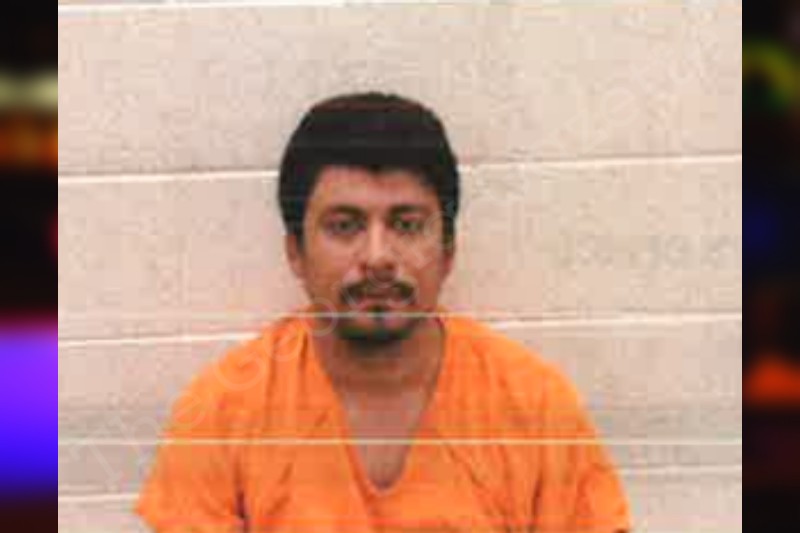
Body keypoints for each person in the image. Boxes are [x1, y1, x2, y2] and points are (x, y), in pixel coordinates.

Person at [136, 92, 631, 532]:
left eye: (406, 225)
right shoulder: (222, 413)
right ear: (295, 252)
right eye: (345, 225)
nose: (377, 257)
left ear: (449, 251)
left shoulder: (535, 408)